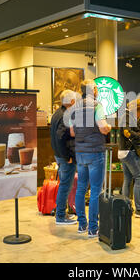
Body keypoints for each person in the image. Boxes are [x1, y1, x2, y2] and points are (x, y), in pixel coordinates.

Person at [70, 79, 111, 238]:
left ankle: (82, 225)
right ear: (93, 90)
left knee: (81, 188)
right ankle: (93, 228)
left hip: (80, 152)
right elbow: (102, 128)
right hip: (95, 153)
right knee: (95, 190)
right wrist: (109, 127)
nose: (98, 91)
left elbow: (72, 133)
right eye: (96, 88)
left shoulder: (74, 108)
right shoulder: (97, 106)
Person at [118, 99, 140, 218]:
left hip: (123, 151)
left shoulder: (127, 116)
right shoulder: (127, 116)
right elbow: (127, 132)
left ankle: (125, 206)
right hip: (129, 152)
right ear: (136, 109)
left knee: (128, 179)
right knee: (139, 178)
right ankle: (139, 209)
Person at [50, 89, 78, 225]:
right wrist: (67, 157)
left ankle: (62, 213)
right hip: (64, 156)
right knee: (65, 186)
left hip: (58, 154)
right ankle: (60, 216)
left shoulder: (57, 113)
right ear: (71, 101)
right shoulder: (65, 115)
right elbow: (60, 137)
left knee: (64, 184)